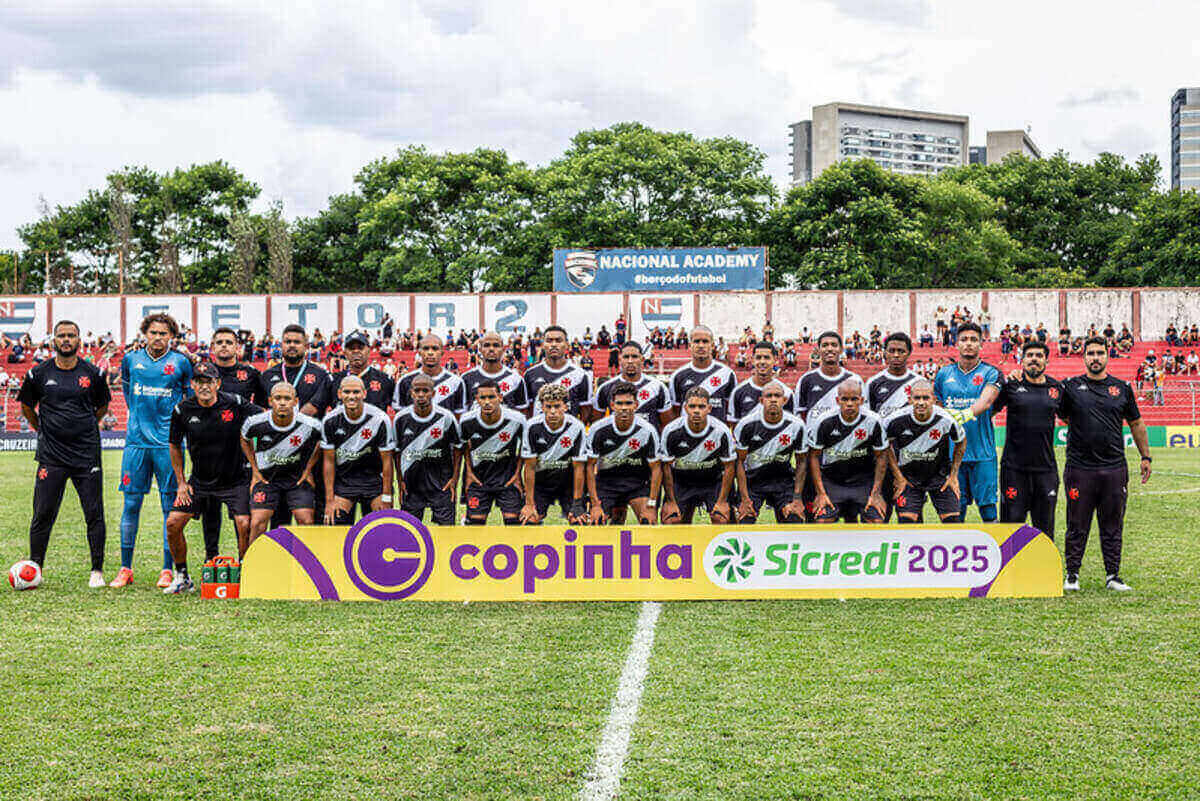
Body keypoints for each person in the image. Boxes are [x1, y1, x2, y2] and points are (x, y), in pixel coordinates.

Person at [17, 320, 111, 586]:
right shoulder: (38, 373)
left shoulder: (92, 372)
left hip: (86, 455)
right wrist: (42, 429)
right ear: (53, 340)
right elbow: (26, 406)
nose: (66, 340)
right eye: (61, 336)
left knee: (94, 513)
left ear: (79, 340)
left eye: (71, 335)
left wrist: (83, 425)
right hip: (52, 456)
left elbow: (102, 407)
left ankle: (97, 571)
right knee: (42, 514)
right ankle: (35, 569)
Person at [1058, 337, 1152, 592]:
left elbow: (1136, 423)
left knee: (1112, 523)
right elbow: (1062, 415)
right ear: (1084, 356)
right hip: (1079, 468)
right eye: (1091, 353)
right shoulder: (1070, 387)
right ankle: (1072, 575)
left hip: (1114, 468)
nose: (1095, 357)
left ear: (1107, 356)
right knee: (1077, 523)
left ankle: (1113, 576)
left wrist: (1145, 456)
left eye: (1100, 353)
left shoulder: (1121, 388)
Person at [113, 313, 194, 589]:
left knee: (167, 508)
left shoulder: (181, 362)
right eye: (153, 333)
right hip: (135, 444)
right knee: (131, 504)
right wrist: (138, 417)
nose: (158, 338)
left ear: (171, 336)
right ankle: (125, 568)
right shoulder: (131, 360)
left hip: (167, 445)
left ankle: (167, 570)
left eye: (163, 333)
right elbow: (126, 391)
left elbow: (187, 399)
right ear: (145, 334)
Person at [163, 363, 259, 592]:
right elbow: (174, 446)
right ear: (192, 384)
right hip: (199, 482)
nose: (204, 386)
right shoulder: (181, 410)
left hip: (235, 480)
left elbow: (264, 419)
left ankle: (245, 575)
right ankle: (182, 576)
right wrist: (181, 483)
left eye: (209, 381)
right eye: (199, 381)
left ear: (218, 383)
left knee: (245, 524)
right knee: (173, 523)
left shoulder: (235, 403)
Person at [933, 322, 1002, 522]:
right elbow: (936, 408)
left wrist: (963, 414)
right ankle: (954, 552)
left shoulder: (991, 372)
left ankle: (995, 550)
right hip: (952, 456)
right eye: (964, 339)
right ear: (956, 343)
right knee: (955, 510)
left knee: (989, 510)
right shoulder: (944, 374)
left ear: (981, 344)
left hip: (983, 453)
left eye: (974, 340)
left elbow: (987, 401)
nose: (968, 344)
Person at [240, 382, 323, 546]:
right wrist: (255, 470)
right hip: (266, 481)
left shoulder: (310, 424)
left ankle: (306, 567)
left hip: (297, 481)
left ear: (295, 401)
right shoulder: (255, 423)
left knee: (306, 521)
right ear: (270, 401)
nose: (283, 402)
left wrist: (308, 469)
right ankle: (252, 567)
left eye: (287, 398)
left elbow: (324, 442)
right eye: (278, 398)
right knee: (257, 522)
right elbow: (244, 439)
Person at [994, 341, 1062, 537]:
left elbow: (1069, 417)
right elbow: (991, 408)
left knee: (1045, 528)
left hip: (1046, 470)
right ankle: (1011, 568)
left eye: (1039, 355)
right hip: (1014, 469)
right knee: (1011, 528)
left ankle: (1043, 568)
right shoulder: (1011, 386)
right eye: (1029, 355)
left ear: (1046, 361)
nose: (1034, 359)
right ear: (1022, 360)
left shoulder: (1056, 389)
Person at [806, 378, 888, 524]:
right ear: (838, 400)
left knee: (876, 521)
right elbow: (814, 456)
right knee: (822, 522)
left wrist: (876, 493)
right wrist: (821, 493)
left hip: (863, 482)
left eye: (854, 399)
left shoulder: (873, 421)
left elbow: (881, 456)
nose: (849, 404)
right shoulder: (824, 421)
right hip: (832, 481)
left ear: (861, 400)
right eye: (845, 399)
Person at [883, 380, 965, 523]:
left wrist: (953, 475)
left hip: (940, 478)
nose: (921, 402)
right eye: (917, 398)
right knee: (907, 522)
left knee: (953, 521)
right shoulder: (894, 420)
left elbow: (961, 441)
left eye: (925, 398)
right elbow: (885, 445)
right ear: (910, 399)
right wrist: (898, 477)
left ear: (933, 399)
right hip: (909, 479)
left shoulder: (946, 420)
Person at [585, 381, 662, 525]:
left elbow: (656, 468)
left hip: (637, 483)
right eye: (619, 404)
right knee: (594, 522)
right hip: (606, 483)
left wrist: (651, 505)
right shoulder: (598, 429)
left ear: (636, 405)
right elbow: (589, 467)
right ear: (612, 405)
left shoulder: (648, 430)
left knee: (649, 522)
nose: (624, 408)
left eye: (628, 403)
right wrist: (595, 504)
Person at [320, 376, 394, 525]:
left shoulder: (380, 419)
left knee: (382, 525)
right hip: (345, 482)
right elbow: (328, 461)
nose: (351, 396)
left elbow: (387, 462)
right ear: (339, 394)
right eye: (347, 392)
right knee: (334, 521)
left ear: (364, 394)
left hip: (373, 481)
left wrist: (387, 497)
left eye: (356, 392)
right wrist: (329, 500)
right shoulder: (330, 420)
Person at [658, 387, 736, 524]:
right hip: (682, 482)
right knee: (671, 520)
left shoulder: (721, 431)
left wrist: (722, 501)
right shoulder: (671, 430)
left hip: (712, 481)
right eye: (692, 406)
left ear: (709, 408)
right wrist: (670, 501)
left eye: (701, 406)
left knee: (721, 518)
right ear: (685, 408)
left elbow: (729, 467)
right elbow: (666, 468)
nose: (696, 411)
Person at [732, 381, 807, 523]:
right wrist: (744, 499)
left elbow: (802, 461)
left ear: (784, 400)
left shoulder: (796, 425)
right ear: (761, 400)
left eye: (777, 396)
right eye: (769, 396)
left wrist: (797, 498)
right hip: (753, 482)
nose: (773, 399)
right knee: (744, 520)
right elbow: (739, 462)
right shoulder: (746, 425)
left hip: (783, 481)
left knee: (794, 518)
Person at [393, 374, 461, 525]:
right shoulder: (400, 419)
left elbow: (458, 448)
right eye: (417, 391)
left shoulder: (446, 417)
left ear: (433, 393)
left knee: (447, 533)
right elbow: (396, 452)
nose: (421, 395)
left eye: (425, 391)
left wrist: (454, 479)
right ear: (411, 393)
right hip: (411, 486)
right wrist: (400, 480)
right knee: (409, 534)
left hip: (441, 485)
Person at [518, 383, 589, 524]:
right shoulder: (532, 426)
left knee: (579, 520)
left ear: (566, 407)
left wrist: (577, 504)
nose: (552, 411)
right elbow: (530, 467)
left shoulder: (576, 426)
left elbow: (579, 468)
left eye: (557, 406)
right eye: (548, 406)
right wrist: (529, 503)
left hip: (568, 484)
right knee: (528, 519)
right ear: (541, 407)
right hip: (541, 484)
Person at [459, 380, 526, 525]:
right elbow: (463, 446)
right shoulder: (466, 421)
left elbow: (525, 448)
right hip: (479, 480)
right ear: (477, 400)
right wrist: (469, 472)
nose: (487, 402)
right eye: (483, 398)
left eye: (492, 397)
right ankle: (467, 520)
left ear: (500, 398)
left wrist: (517, 474)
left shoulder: (517, 420)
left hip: (507, 479)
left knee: (513, 523)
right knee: (475, 526)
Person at [592, 340, 671, 426]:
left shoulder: (658, 387)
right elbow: (596, 424)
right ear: (620, 359)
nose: (630, 361)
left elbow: (666, 424)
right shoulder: (605, 388)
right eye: (626, 357)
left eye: (634, 357)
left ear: (642, 359)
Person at [667, 326, 737, 422]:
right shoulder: (678, 376)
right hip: (687, 435)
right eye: (696, 341)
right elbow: (676, 411)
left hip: (717, 434)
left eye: (705, 341)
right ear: (690, 345)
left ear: (712, 346)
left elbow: (730, 409)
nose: (701, 345)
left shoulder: (727, 374)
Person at [521, 325, 592, 419]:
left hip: (569, 432)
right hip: (539, 432)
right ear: (543, 345)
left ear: (567, 344)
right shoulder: (530, 374)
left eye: (558, 340)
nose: (553, 344)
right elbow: (528, 410)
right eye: (549, 341)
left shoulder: (581, 375)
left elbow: (585, 410)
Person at [793, 331, 859, 422]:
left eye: (834, 345)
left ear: (841, 350)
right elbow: (800, 414)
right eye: (825, 345)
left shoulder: (854, 380)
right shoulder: (806, 380)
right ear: (819, 350)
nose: (830, 349)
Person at [393, 334, 466, 414]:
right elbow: (400, 417)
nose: (430, 353)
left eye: (435, 349)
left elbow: (458, 417)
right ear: (420, 352)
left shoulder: (456, 382)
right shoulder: (405, 381)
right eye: (426, 348)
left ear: (442, 352)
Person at [462, 331, 530, 411]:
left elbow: (522, 414)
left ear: (503, 349)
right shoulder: (466, 378)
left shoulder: (516, 379)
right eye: (487, 345)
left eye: (496, 345)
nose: (491, 349)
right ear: (480, 349)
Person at [729, 341, 793, 424]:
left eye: (767, 358)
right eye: (758, 357)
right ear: (752, 360)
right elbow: (734, 427)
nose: (762, 362)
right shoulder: (738, 392)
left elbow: (792, 426)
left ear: (775, 360)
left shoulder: (787, 393)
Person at [332, 330, 395, 411]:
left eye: (360, 348)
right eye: (351, 348)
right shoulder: (333, 380)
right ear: (345, 353)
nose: (356, 351)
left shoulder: (385, 380)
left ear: (369, 351)